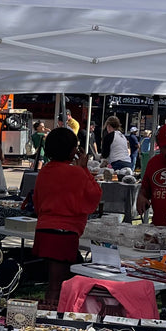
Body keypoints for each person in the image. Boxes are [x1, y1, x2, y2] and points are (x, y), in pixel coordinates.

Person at [31, 125, 102, 308]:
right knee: (58, 284)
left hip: (45, 229)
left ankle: (54, 312)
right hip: (64, 232)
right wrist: (85, 169)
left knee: (54, 281)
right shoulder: (77, 172)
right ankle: (55, 316)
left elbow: (37, 202)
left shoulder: (45, 171)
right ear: (73, 151)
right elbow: (95, 194)